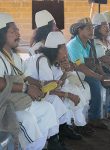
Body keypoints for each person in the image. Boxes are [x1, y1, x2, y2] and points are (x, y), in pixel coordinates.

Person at [0, 13, 67, 150]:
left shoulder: (14, 56)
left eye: (17, 30)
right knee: (28, 119)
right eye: (13, 31)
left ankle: (44, 145)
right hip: (5, 105)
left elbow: (26, 76)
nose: (18, 33)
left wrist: (40, 85)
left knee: (47, 108)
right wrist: (26, 88)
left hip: (16, 101)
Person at [25, 31, 94, 137]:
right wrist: (68, 95)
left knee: (74, 91)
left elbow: (58, 85)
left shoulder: (53, 60)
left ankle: (69, 127)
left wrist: (65, 71)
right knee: (57, 101)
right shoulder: (43, 60)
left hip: (44, 92)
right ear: (56, 50)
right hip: (32, 94)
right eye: (64, 48)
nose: (66, 51)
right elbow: (49, 89)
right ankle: (56, 135)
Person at [67, 17, 110, 127]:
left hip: (89, 71)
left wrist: (104, 75)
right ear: (80, 30)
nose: (92, 31)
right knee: (95, 83)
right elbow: (80, 67)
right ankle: (94, 117)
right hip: (76, 73)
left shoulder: (90, 43)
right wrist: (100, 78)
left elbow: (96, 62)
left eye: (92, 28)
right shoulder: (74, 44)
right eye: (88, 28)